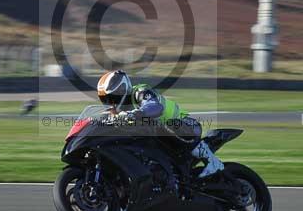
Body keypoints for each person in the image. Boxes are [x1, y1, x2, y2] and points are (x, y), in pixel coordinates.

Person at [96, 70, 224, 178]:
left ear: (123, 89)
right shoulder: (117, 112)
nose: (110, 103)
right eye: (106, 100)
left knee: (170, 124)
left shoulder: (140, 92)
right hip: (162, 141)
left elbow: (155, 106)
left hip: (186, 126)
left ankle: (212, 161)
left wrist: (136, 113)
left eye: (112, 98)